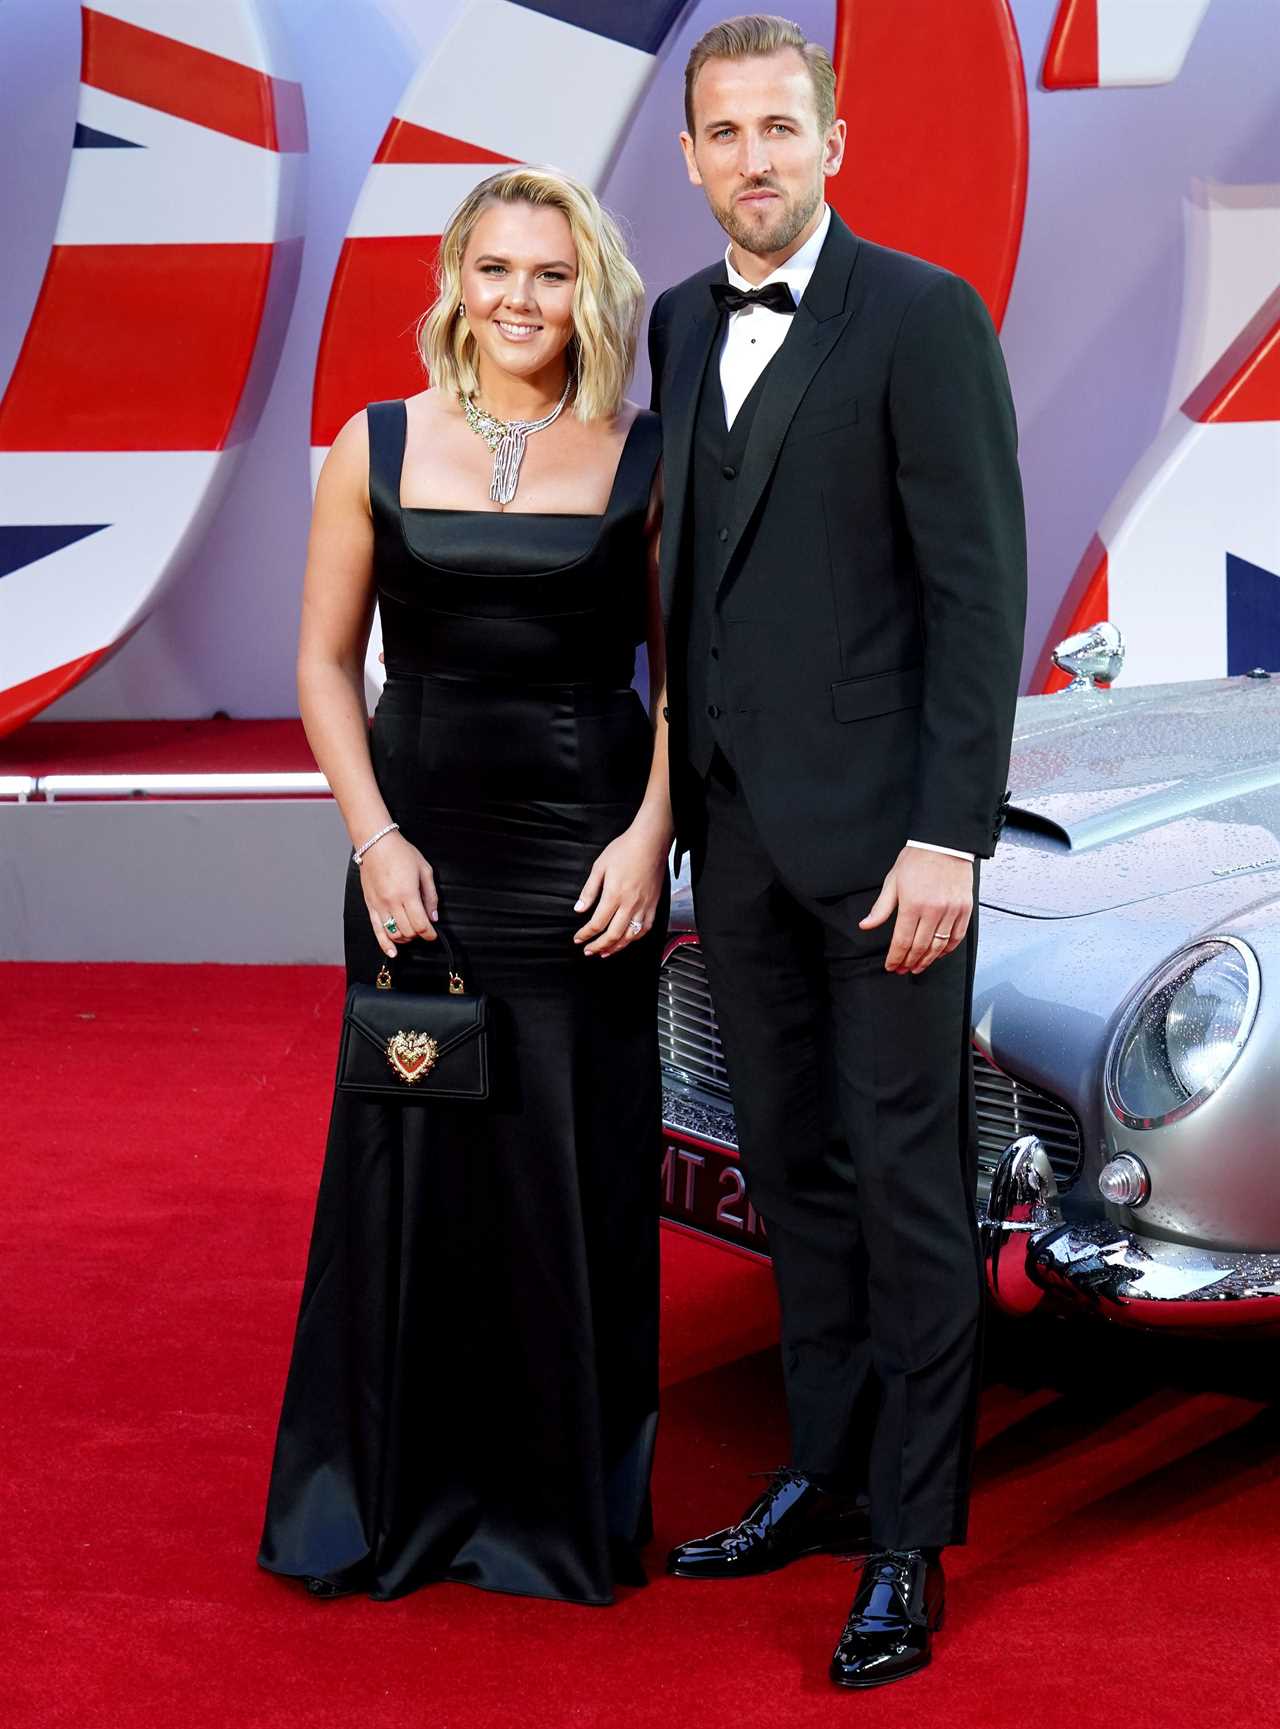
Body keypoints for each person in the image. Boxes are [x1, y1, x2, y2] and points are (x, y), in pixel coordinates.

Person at [650, 16, 1026, 1687]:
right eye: (723, 134)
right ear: (689, 158)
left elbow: (977, 595)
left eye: (779, 130)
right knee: (789, 1166)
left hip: (892, 854)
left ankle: (906, 1539)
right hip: (731, 842)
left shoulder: (925, 316)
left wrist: (953, 830)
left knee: (908, 1188)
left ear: (833, 142)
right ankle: (819, 1467)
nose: (753, 160)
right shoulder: (672, 325)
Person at [258, 166, 673, 1608]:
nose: (520, 299)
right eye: (496, 269)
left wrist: (649, 835)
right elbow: (321, 663)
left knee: (575, 1166)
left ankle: (557, 1510)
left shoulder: (643, 451)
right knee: (411, 1160)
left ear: (589, 289)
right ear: (454, 276)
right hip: (417, 852)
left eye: (550, 275)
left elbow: (687, 683)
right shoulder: (373, 443)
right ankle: (386, 1497)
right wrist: (375, 839)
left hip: (587, 856)